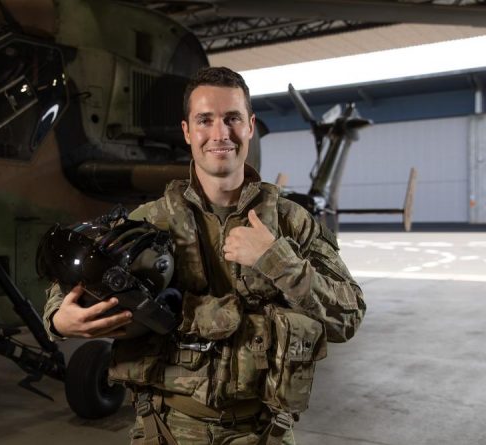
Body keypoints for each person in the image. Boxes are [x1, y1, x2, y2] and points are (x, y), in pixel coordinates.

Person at [42, 66, 365, 445]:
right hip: (164, 430)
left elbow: (348, 316)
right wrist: (59, 320)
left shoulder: (292, 223)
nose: (219, 134)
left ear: (250, 126)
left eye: (232, 119)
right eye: (205, 120)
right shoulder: (149, 220)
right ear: (187, 131)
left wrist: (277, 260)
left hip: (262, 433)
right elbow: (71, 288)